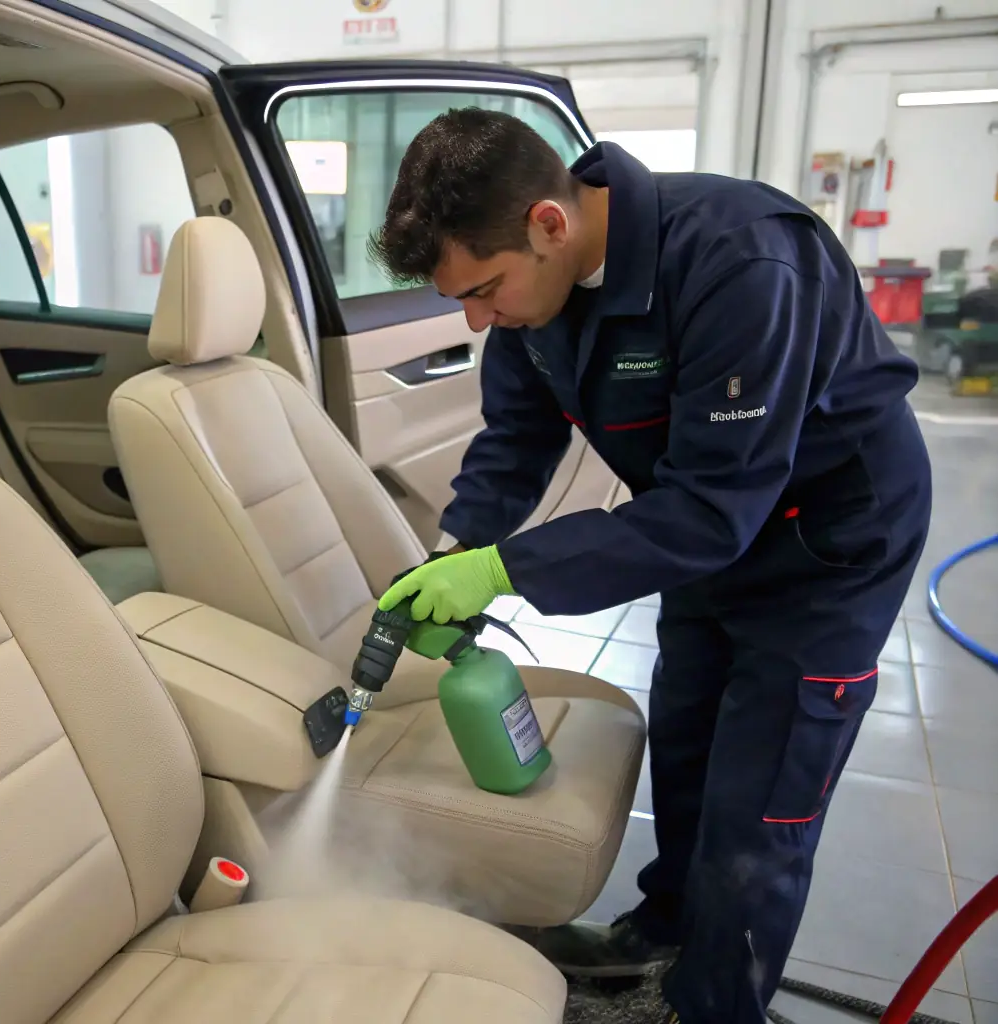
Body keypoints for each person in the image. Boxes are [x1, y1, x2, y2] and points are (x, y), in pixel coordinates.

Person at [371, 108, 932, 1024]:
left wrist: (503, 572)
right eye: (461, 301)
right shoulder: (535, 294)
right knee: (686, 745)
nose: (478, 319)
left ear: (549, 224)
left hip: (827, 542)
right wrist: (454, 553)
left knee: (758, 800)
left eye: (485, 289)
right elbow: (516, 438)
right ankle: (663, 934)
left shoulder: (743, 261)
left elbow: (716, 509)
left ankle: (712, 1006)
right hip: (699, 526)